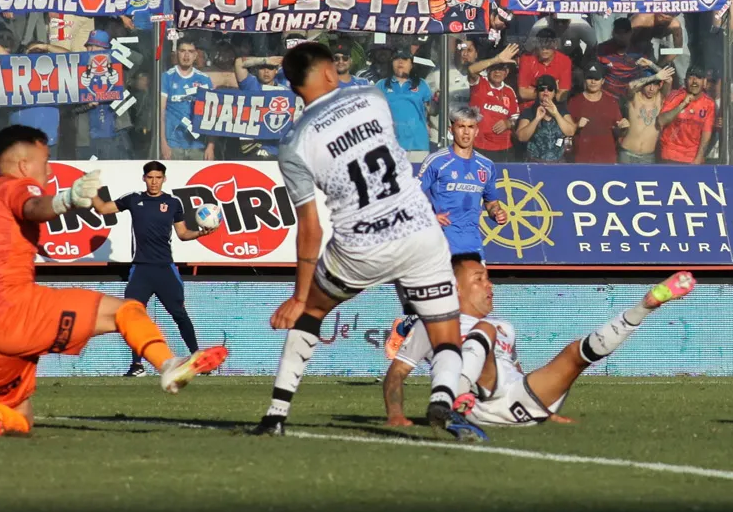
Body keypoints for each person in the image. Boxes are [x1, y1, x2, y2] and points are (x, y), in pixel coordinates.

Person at [250, 40, 472, 438]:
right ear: (330, 72)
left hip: (360, 244)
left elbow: (311, 228)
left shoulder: (294, 145)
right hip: (419, 231)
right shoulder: (373, 98)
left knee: (312, 315)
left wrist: (301, 296)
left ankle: (276, 415)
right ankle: (441, 397)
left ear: (292, 86)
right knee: (445, 331)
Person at [0, 128, 227, 436]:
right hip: (14, 310)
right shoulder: (16, 187)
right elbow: (32, 207)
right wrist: (65, 199)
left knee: (21, 416)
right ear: (24, 165)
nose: (49, 169)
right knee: (127, 311)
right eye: (46, 160)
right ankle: (166, 364)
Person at [382, 259, 694, 432]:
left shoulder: (505, 327)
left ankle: (645, 306)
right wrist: (395, 413)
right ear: (455, 288)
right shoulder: (435, 323)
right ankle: (458, 397)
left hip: (520, 403)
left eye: (489, 278)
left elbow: (514, 371)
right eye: (479, 279)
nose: (489, 285)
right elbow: (397, 371)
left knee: (576, 354)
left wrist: (546, 408)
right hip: (480, 404)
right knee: (486, 329)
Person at [112, 160, 220, 377]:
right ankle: (137, 366)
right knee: (133, 316)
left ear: (164, 179)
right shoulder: (134, 199)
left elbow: (182, 233)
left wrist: (200, 233)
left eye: (158, 177)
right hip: (141, 269)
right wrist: (90, 196)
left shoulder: (173, 203)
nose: (154, 181)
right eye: (150, 177)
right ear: (144, 178)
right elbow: (105, 208)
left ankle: (198, 360)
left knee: (179, 314)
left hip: (164, 269)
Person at [419, 107, 508, 262]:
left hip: (473, 244)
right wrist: (429, 217)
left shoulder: (486, 165)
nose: (466, 133)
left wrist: (497, 212)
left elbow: (491, 202)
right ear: (451, 130)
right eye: (461, 127)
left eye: (470, 127)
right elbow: (410, 197)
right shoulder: (437, 161)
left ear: (476, 131)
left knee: (475, 286)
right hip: (442, 244)